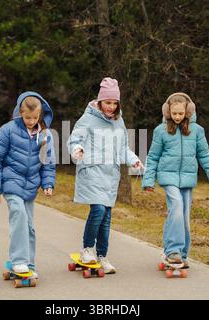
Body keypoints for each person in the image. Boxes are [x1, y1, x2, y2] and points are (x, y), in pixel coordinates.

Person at [67, 77, 143, 274]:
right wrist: (77, 149)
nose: (110, 106)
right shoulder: (88, 118)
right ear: (100, 102)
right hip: (92, 171)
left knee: (106, 217)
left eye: (114, 103)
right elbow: (75, 139)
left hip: (110, 175)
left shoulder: (119, 122)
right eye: (107, 102)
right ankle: (87, 249)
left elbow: (123, 147)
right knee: (98, 210)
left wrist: (133, 159)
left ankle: (102, 255)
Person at [142, 92, 209, 267]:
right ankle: (172, 251)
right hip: (168, 177)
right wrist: (148, 181)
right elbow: (153, 156)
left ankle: (182, 255)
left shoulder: (197, 131)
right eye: (174, 113)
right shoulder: (160, 131)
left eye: (180, 113)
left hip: (187, 179)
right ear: (167, 112)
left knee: (183, 217)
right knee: (177, 207)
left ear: (188, 111)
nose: (177, 117)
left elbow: (205, 155)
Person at [0, 91, 55, 278]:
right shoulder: (7, 130)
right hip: (11, 181)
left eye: (34, 117)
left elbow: (47, 162)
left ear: (40, 115)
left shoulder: (45, 135)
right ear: (20, 113)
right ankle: (18, 262)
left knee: (30, 226)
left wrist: (48, 183)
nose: (31, 121)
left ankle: (29, 263)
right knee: (19, 215)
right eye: (27, 117)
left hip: (31, 186)